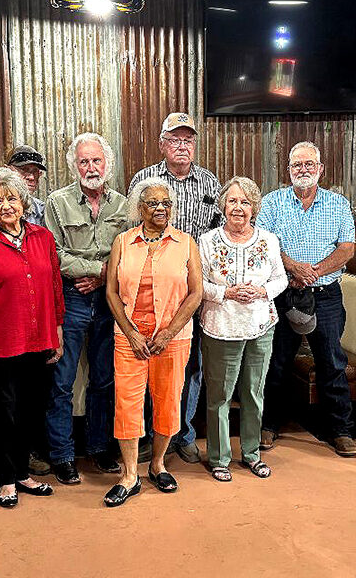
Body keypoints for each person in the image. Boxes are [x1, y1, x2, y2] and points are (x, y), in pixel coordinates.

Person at [0, 167, 65, 508]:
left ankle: (23, 473)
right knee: (2, 413)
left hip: (40, 340)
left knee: (32, 410)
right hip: (0, 345)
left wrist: (59, 331)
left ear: (24, 201)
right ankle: (5, 479)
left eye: (12, 198)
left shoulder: (43, 238)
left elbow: (54, 289)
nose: (7, 206)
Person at [103, 177, 202, 506]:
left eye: (166, 203)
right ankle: (129, 474)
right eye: (153, 203)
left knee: (168, 401)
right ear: (139, 208)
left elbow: (196, 293)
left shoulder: (186, 243)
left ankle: (157, 464)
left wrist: (169, 332)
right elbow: (112, 293)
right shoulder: (123, 241)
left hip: (172, 339)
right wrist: (131, 332)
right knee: (127, 404)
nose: (161, 208)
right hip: (129, 338)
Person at [128, 112, 220, 464]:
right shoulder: (144, 179)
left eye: (188, 140)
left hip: (192, 293)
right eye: (175, 139)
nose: (182, 146)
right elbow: (129, 231)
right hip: (150, 291)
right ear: (162, 144)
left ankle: (182, 432)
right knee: (151, 362)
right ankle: (154, 434)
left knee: (190, 366)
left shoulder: (210, 183)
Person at [258, 141, 356, 457]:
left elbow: (347, 248)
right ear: (288, 170)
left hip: (326, 295)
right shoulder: (271, 203)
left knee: (332, 363)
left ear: (320, 168)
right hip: (283, 295)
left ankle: (340, 431)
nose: (303, 169)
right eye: (297, 165)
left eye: (309, 164)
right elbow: (265, 244)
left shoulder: (338, 204)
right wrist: (294, 268)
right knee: (276, 363)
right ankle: (269, 425)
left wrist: (313, 272)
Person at [44, 133, 129, 485]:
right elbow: (54, 254)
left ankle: (99, 448)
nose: (90, 167)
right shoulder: (57, 202)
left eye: (96, 160)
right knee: (61, 382)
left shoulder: (123, 205)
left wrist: (101, 278)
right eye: (83, 161)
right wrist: (98, 271)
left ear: (106, 164)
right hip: (71, 298)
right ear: (74, 166)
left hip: (110, 301)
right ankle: (62, 455)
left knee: (104, 379)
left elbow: (127, 252)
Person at [199, 177, 288, 481]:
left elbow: (281, 279)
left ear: (254, 208)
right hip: (221, 325)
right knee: (220, 396)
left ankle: (251, 453)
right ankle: (219, 457)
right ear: (223, 205)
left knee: (253, 393)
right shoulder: (207, 241)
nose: (238, 207)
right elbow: (197, 284)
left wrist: (262, 291)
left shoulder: (269, 240)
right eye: (233, 201)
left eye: (245, 202)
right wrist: (226, 293)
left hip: (260, 325)